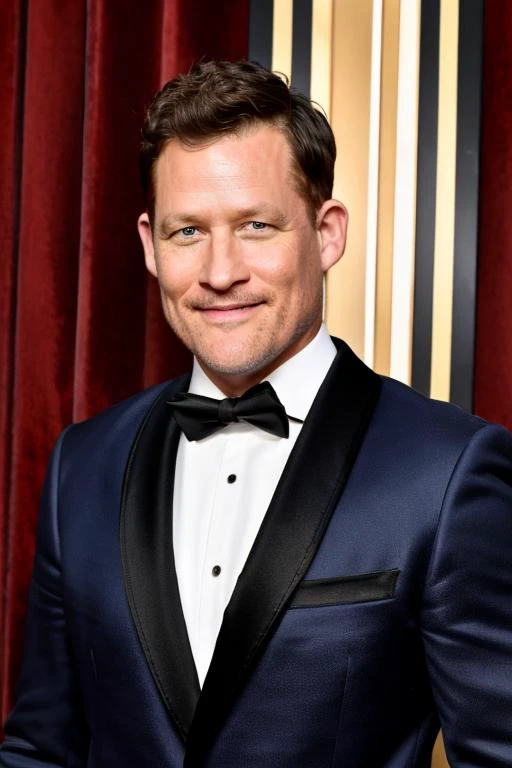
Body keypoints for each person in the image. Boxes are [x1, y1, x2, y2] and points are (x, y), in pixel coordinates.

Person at [1, 60, 512, 768]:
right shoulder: (80, 466)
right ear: (150, 245)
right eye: (188, 233)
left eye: (256, 225)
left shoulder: (449, 473)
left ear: (326, 233)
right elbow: (39, 751)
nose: (219, 271)